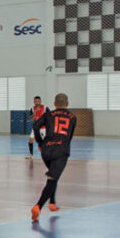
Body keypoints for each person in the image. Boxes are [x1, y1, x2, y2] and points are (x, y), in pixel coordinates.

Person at [30, 93, 76, 222]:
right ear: (67, 104)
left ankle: (52, 202)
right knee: (52, 179)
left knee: (54, 176)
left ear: (55, 104)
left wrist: (40, 142)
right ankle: (38, 206)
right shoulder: (73, 117)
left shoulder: (48, 114)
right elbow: (70, 136)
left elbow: (35, 126)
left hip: (46, 150)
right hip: (61, 151)